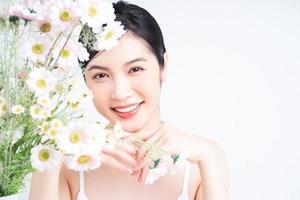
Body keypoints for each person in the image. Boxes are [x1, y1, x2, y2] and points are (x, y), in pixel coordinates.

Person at [29, 1, 228, 200]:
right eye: (100, 75)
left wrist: (209, 154)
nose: (120, 93)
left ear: (163, 66)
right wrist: (50, 157)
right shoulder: (67, 163)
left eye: (135, 69)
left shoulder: (200, 162)